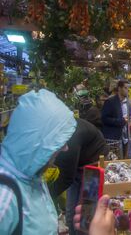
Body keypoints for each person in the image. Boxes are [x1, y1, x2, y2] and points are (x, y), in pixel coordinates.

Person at [0, 89, 77, 234]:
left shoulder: (32, 173)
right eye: (58, 141)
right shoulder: (5, 195)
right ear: (39, 142)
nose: (66, 148)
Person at [48, 118, 109, 235]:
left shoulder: (69, 139)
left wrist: (44, 196)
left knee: (86, 217)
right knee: (71, 214)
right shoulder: (58, 132)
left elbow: (66, 178)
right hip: (78, 164)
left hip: (93, 165)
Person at [101, 80, 128, 157]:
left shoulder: (128, 102)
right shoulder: (110, 101)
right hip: (113, 137)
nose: (128, 90)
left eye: (128, 88)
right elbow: (104, 118)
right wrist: (120, 121)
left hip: (125, 137)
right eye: (125, 88)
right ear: (119, 88)